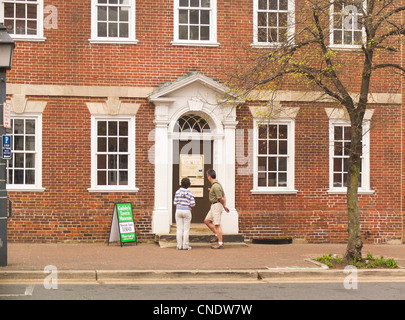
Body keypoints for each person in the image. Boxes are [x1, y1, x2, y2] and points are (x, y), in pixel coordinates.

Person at [204, 169, 229, 249]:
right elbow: (224, 196)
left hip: (216, 206)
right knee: (207, 221)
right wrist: (224, 206)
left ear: (209, 176)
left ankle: (220, 243)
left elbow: (221, 198)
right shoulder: (217, 184)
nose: (207, 177)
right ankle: (216, 235)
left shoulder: (216, 186)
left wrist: (223, 205)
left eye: (207, 175)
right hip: (214, 206)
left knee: (217, 225)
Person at [173, 177, 195, 250]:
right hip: (187, 211)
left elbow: (175, 202)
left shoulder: (177, 192)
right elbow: (192, 204)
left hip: (178, 211)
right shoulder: (190, 193)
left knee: (179, 229)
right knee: (186, 229)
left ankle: (179, 246)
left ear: (181, 184)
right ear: (188, 185)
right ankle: (185, 245)